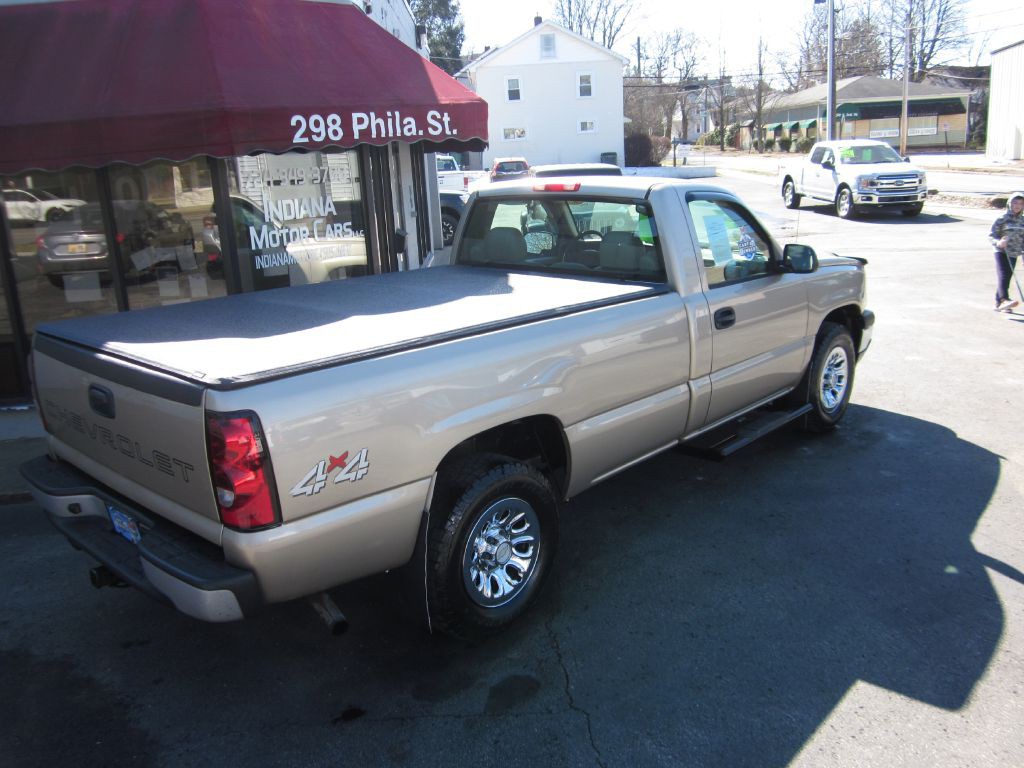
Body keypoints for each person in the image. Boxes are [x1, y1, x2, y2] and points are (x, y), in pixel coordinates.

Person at [989, 191, 1024, 312]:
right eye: (1015, 202)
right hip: (1001, 251)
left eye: (1020, 203)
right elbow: (991, 235)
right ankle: (1004, 299)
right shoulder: (1002, 219)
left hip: (1014, 252)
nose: (1017, 205)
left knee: (1007, 276)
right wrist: (998, 242)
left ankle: (999, 303)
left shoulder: (1023, 221)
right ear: (1010, 203)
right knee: (1004, 274)